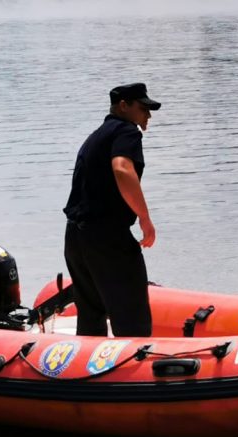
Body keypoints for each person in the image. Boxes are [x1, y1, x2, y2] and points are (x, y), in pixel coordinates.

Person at [63, 82, 161, 337]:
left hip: (76, 238)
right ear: (124, 106)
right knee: (132, 315)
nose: (148, 116)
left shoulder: (96, 136)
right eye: (143, 109)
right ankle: (136, 361)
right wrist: (144, 218)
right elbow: (122, 168)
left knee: (91, 313)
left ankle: (88, 359)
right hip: (107, 238)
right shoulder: (126, 131)